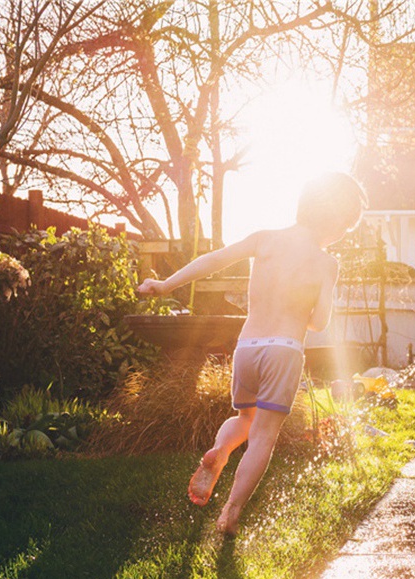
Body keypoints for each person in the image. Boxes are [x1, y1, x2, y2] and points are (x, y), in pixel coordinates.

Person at [137, 172, 366, 535]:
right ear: (338, 222)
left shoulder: (265, 239)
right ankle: (231, 510)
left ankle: (220, 450)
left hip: (247, 346)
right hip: (284, 351)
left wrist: (165, 285)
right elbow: (320, 322)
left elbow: (213, 260)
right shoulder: (327, 263)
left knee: (245, 420)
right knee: (263, 436)